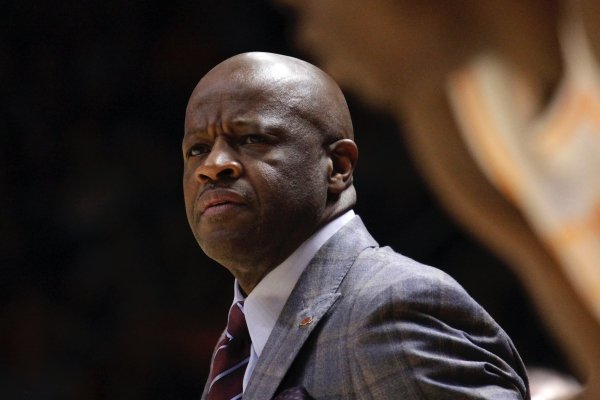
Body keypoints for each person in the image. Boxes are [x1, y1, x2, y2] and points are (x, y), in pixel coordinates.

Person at [182, 52, 530, 399]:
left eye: (251, 139)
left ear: (337, 166)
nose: (212, 166)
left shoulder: (391, 308)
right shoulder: (244, 340)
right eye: (197, 149)